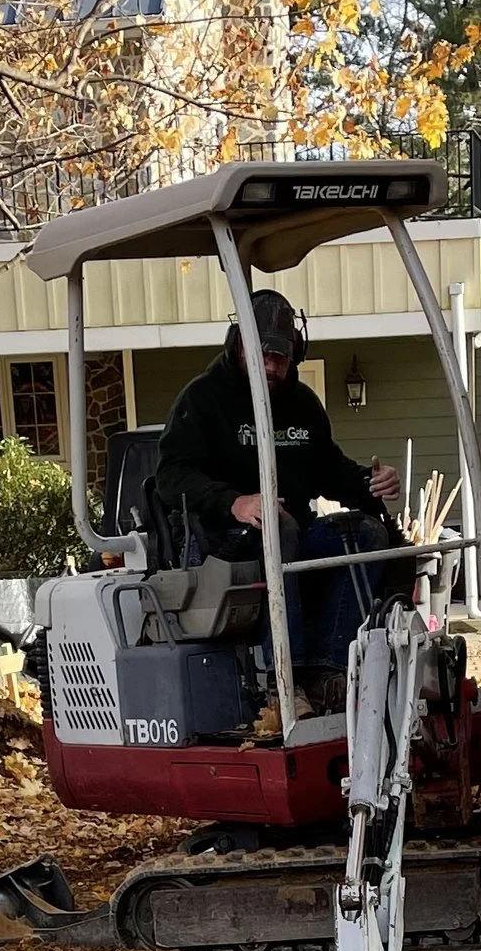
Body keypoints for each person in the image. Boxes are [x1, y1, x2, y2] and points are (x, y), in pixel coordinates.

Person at [150, 291, 405, 707]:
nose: (271, 366)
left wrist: (370, 482)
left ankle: (329, 669)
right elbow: (171, 475)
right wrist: (234, 502)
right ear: (239, 344)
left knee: (366, 534)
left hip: (291, 532)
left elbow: (329, 468)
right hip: (218, 539)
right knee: (278, 524)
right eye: (262, 354)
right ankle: (284, 679)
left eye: (280, 358)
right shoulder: (202, 399)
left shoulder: (301, 404)